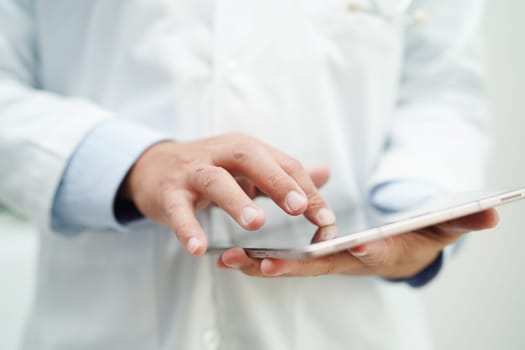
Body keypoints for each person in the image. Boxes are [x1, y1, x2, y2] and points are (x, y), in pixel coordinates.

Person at [0, 0, 498, 349]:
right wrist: (133, 164)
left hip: (349, 327)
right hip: (103, 326)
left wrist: (413, 214)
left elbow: (442, 89)